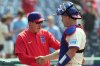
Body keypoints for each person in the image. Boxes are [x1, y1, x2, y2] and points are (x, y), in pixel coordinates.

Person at [36, 1, 86, 66]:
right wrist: (45, 58)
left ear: (68, 17)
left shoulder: (75, 31)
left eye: (62, 16)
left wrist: (59, 64)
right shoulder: (75, 30)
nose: (61, 20)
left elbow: (71, 52)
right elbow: (63, 51)